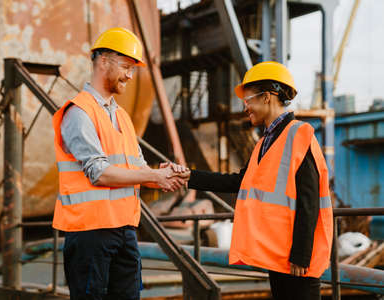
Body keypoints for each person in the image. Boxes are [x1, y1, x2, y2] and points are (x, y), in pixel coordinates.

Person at [166, 61, 333, 300]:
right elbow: (238, 182)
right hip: (278, 254)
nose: (246, 108)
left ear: (267, 97)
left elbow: (309, 200)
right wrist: (188, 176)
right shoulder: (266, 141)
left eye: (248, 100)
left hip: (297, 261)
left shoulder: (298, 135)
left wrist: (301, 255)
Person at [52, 27, 186, 300]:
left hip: (124, 229)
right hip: (90, 234)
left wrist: (161, 175)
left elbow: (134, 166)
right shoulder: (79, 112)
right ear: (103, 61)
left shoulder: (122, 116)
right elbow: (98, 173)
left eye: (133, 69)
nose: (130, 75)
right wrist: (153, 177)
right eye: (126, 66)